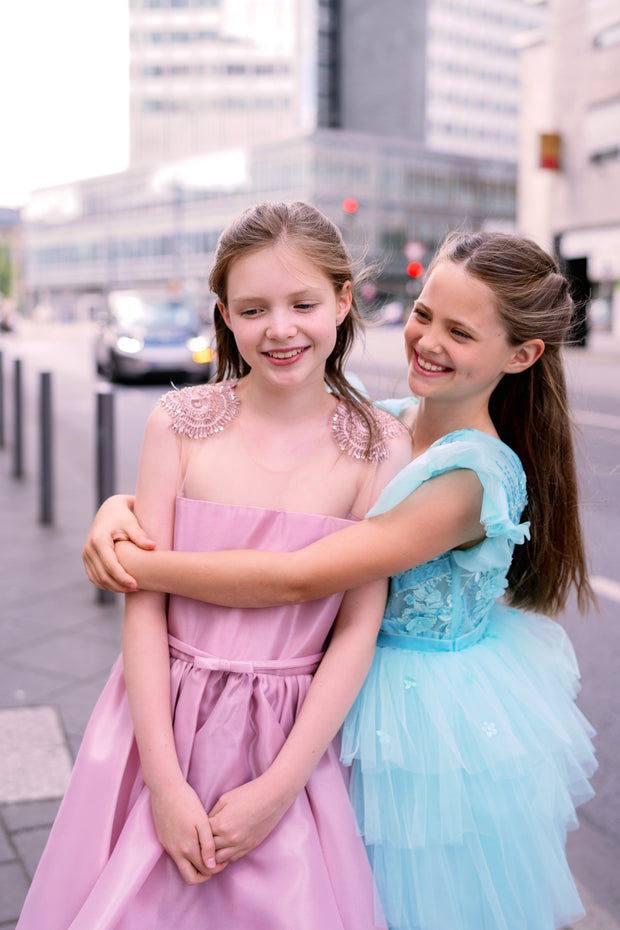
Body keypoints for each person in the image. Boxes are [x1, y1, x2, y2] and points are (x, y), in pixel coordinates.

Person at [84, 230, 598, 930]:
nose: (427, 340)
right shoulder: (385, 423)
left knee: (405, 900)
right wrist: (123, 509)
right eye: (423, 313)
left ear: (522, 353)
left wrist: (139, 562)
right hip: (338, 695)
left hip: (419, 718)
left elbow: (299, 576)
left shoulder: (471, 479)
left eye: (460, 331)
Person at [17, 202, 413, 930]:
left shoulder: (379, 443)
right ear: (225, 315)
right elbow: (145, 604)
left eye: (303, 303)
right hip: (162, 718)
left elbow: (359, 625)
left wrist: (280, 787)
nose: (281, 328)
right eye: (253, 308)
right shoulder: (179, 423)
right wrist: (164, 786)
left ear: (343, 302)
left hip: (293, 735)